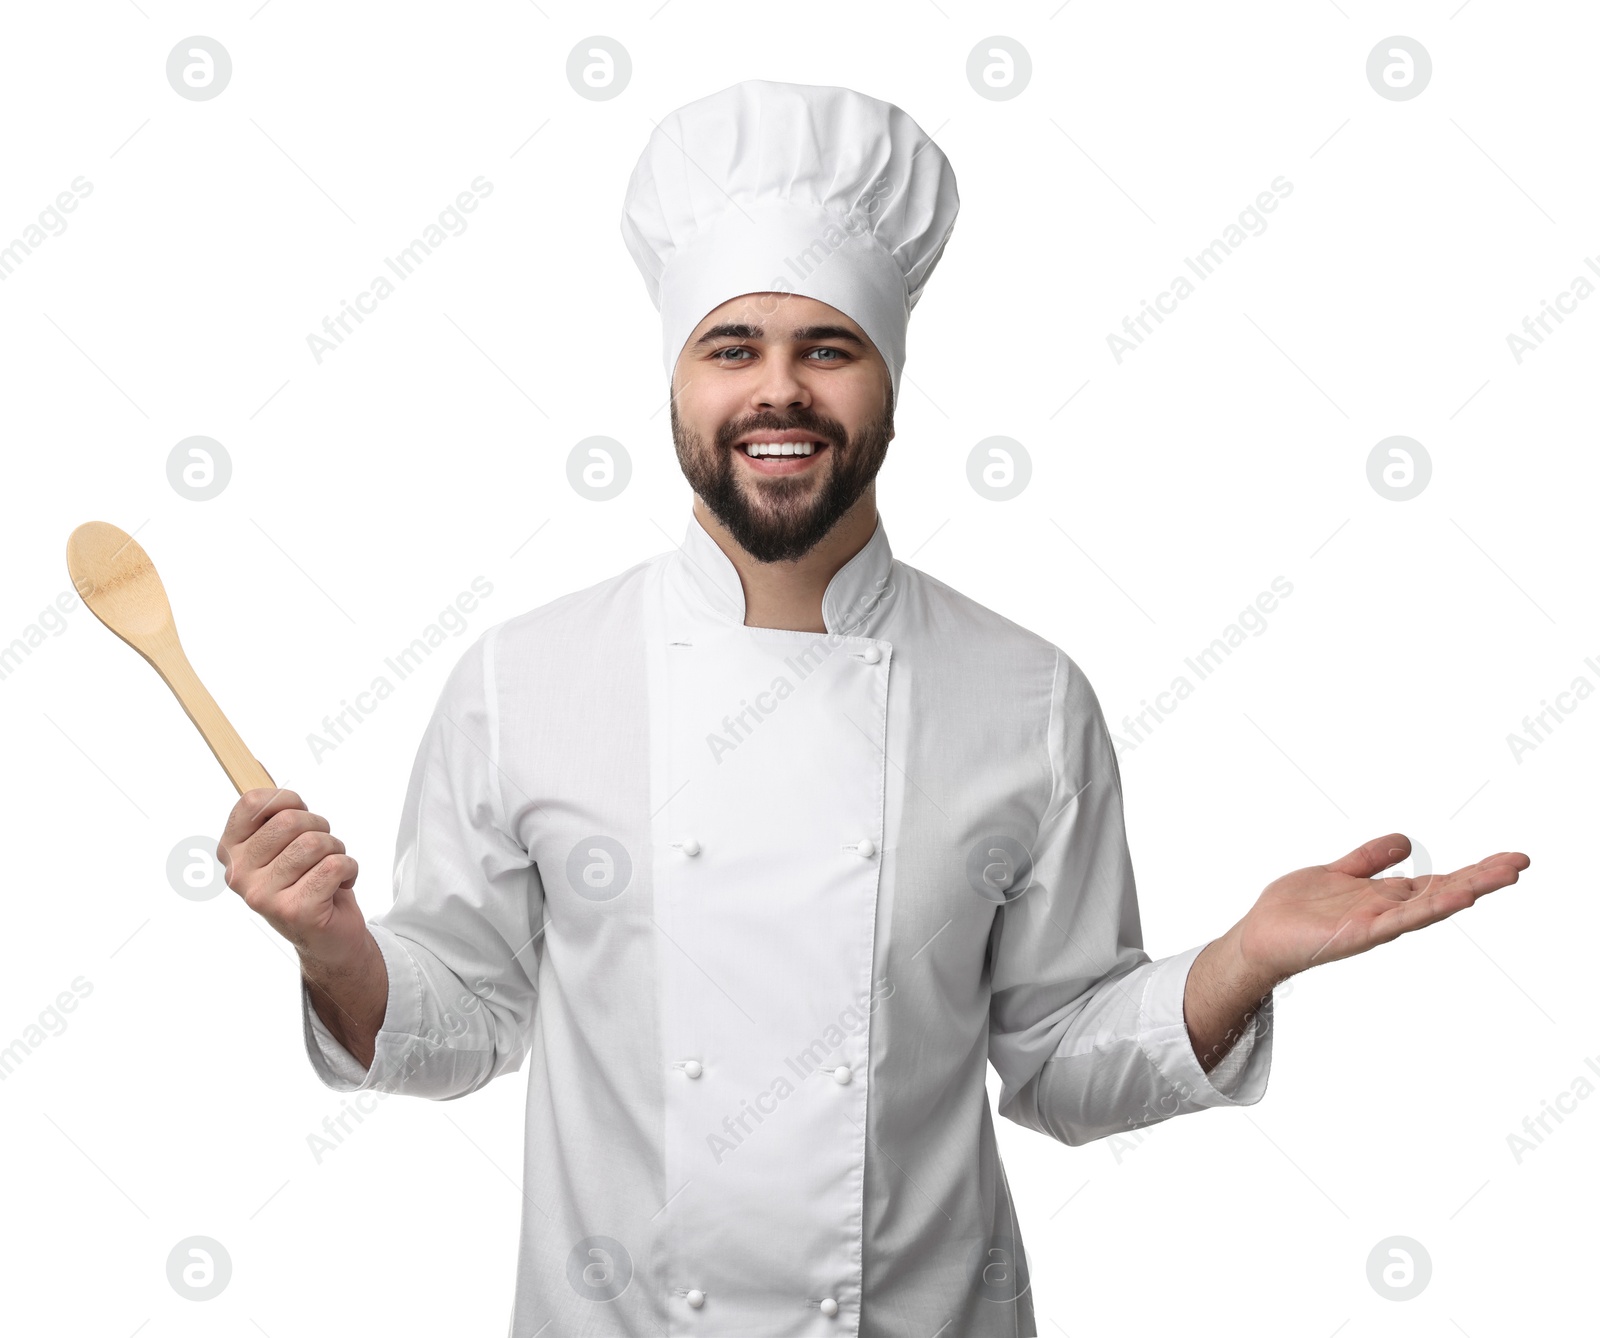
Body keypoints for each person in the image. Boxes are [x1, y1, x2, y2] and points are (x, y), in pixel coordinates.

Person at [217, 79, 1529, 1337]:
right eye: (733, 346)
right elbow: (466, 1020)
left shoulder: (1026, 694)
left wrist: (1240, 957)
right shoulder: (526, 679)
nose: (777, 391)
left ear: (889, 381)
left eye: (826, 348)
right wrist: (337, 945)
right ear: (678, 383)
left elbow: (1060, 1056)